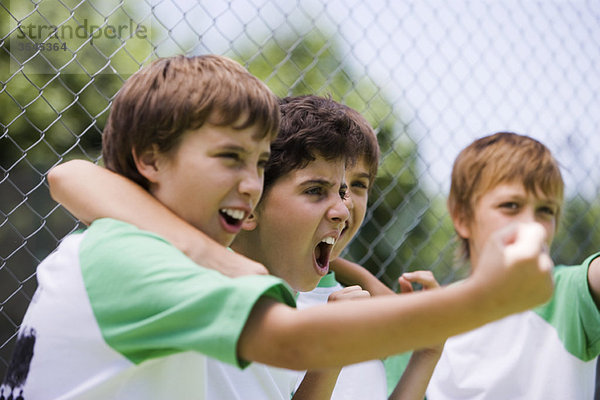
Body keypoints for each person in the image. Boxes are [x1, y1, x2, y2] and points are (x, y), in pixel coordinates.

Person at [5, 52, 554, 398]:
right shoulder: (131, 255)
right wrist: (485, 298)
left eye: (260, 163)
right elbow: (294, 343)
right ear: (150, 157)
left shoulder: (183, 265)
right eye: (229, 157)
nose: (249, 182)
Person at [43, 94, 443, 399]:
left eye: (354, 187)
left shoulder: (326, 298)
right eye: (316, 189)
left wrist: (421, 350)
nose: (344, 207)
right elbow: (70, 176)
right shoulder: (175, 268)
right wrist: (220, 260)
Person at [421, 132, 600, 399]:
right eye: (510, 206)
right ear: (461, 217)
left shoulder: (569, 294)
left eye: (546, 211)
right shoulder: (422, 318)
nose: (533, 226)